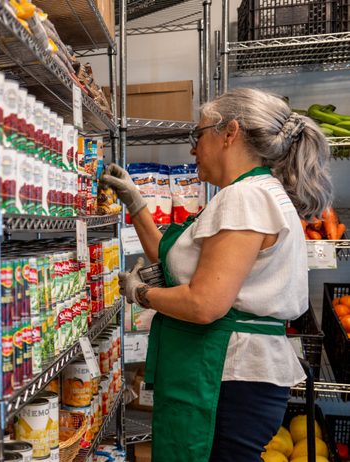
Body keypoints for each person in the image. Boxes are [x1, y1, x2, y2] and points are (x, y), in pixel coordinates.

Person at [100, 88, 332, 462]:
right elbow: (175, 261)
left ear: (230, 133)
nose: (194, 149)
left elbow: (204, 303)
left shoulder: (245, 198)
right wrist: (136, 203)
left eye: (199, 134)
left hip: (226, 373)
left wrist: (140, 293)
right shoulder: (254, 192)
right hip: (231, 373)